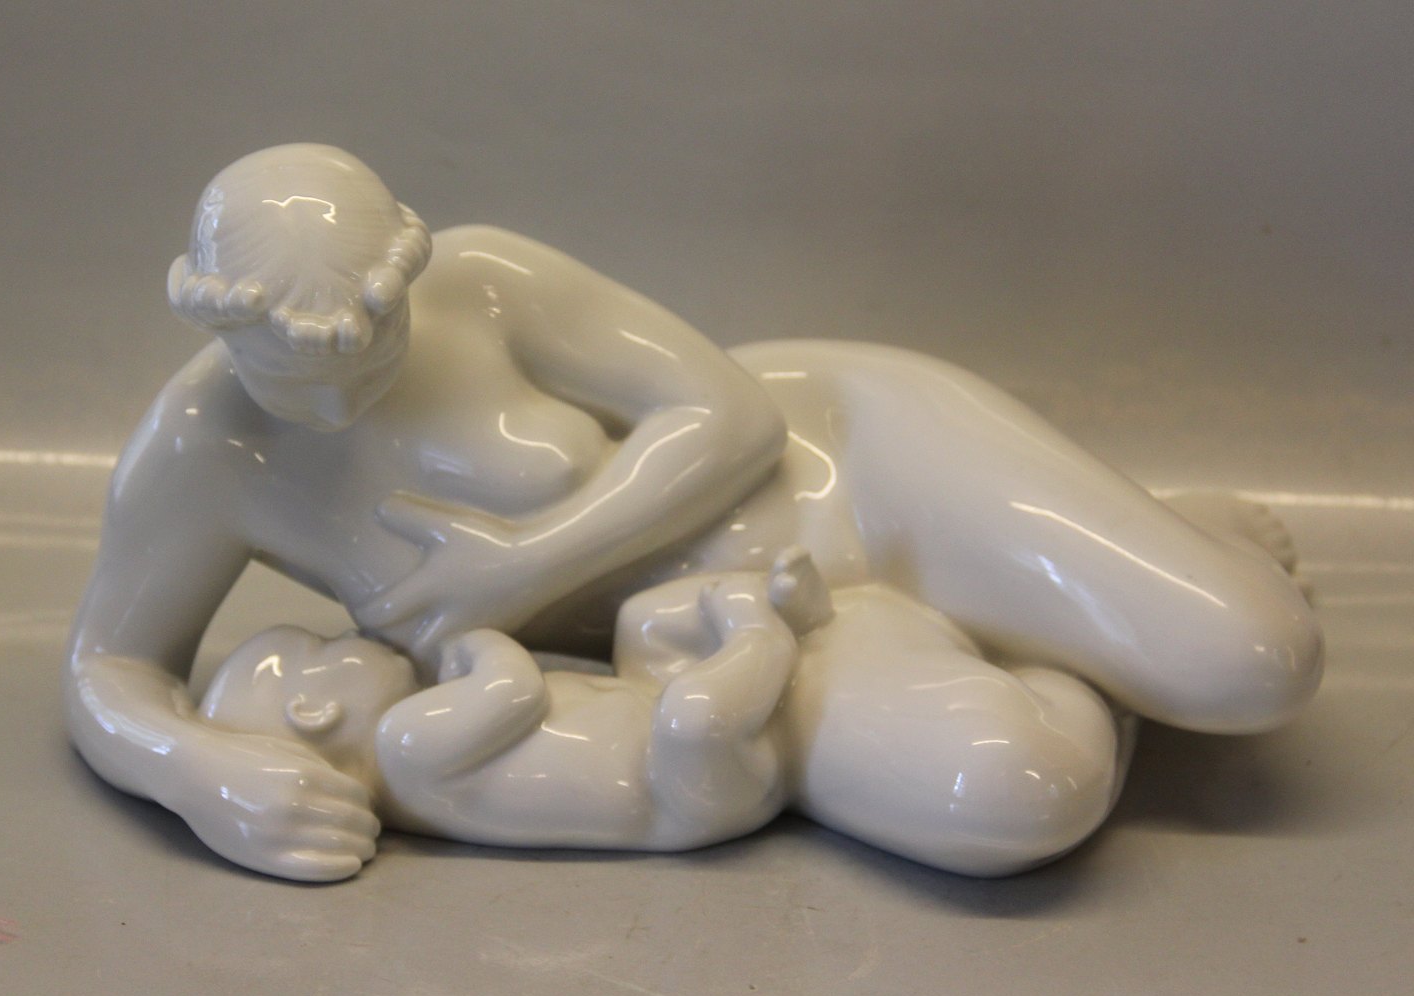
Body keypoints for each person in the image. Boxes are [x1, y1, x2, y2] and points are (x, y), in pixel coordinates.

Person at [65, 144, 1322, 881]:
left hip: (850, 462)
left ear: (408, 272)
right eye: (296, 377)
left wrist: (523, 566)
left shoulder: (483, 283)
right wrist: (199, 772)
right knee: (1017, 802)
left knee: (1255, 665)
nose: (342, 399)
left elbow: (731, 415)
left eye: (371, 351)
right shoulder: (198, 451)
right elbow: (109, 665)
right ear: (213, 320)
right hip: (737, 645)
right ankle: (1059, 637)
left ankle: (1119, 556)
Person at [199, 549, 1123, 878]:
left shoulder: (413, 748)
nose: (352, 642)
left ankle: (783, 616)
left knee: (646, 622)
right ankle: (763, 626)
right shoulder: (403, 746)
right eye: (330, 651)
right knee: (696, 717)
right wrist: (476, 642)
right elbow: (517, 690)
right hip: (686, 792)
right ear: (315, 710)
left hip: (646, 719)